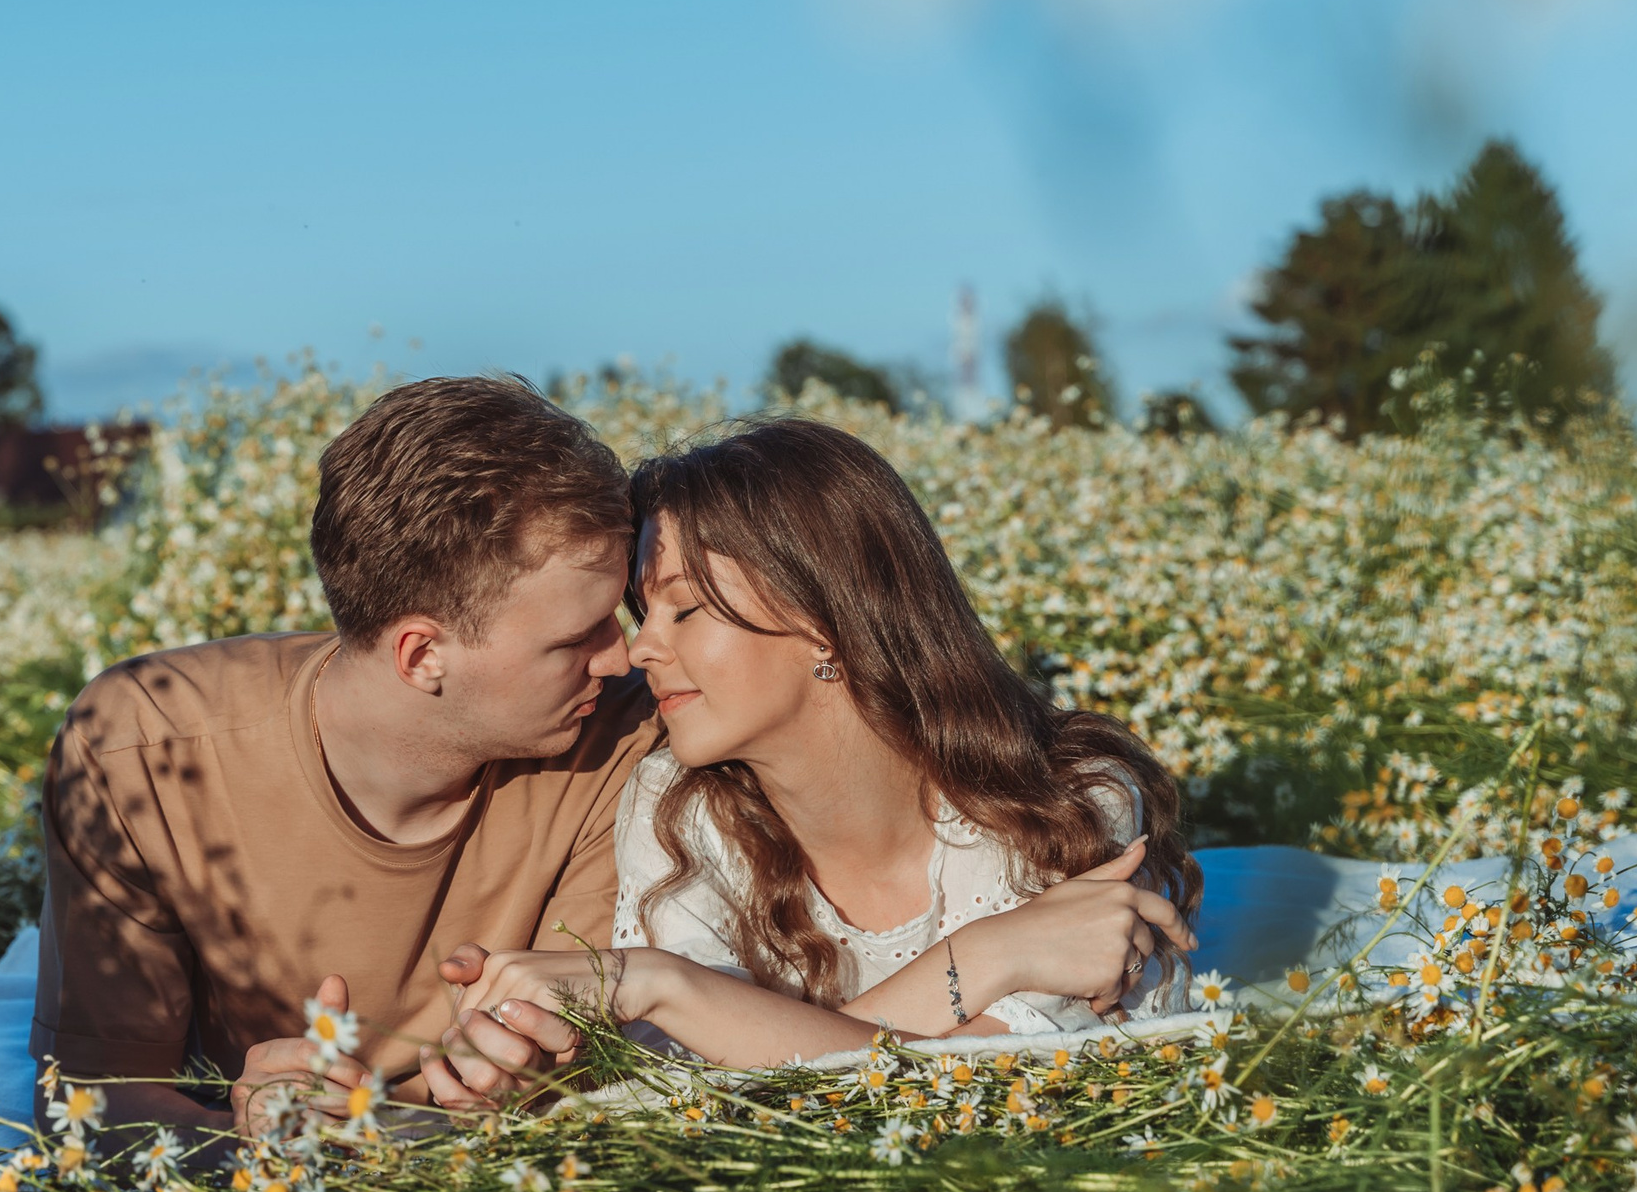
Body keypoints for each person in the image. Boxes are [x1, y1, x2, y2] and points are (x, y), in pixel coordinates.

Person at [450, 418, 1199, 1068]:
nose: (639, 648)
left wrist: (668, 988)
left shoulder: (1065, 798)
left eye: (681, 608)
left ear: (822, 619)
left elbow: (987, 1079)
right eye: (643, 611)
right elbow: (696, 1079)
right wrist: (988, 954)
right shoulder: (677, 805)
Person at [30, 376, 661, 1133]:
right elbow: (91, 1103)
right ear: (422, 653)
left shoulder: (628, 738)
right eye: (576, 638)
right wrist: (247, 1133)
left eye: (616, 617)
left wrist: (546, 1067)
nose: (623, 658)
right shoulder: (143, 752)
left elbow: (594, 1069)